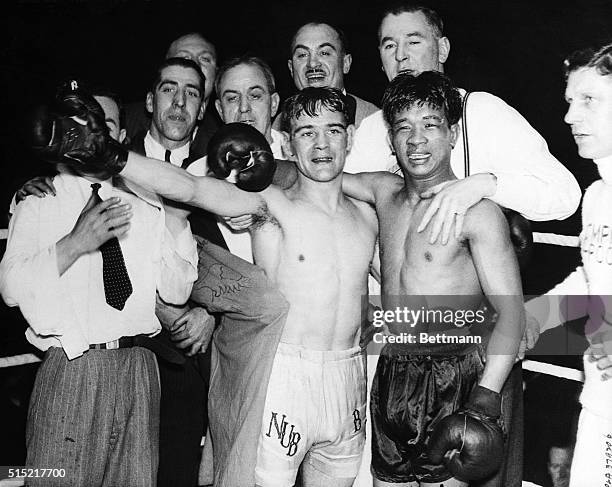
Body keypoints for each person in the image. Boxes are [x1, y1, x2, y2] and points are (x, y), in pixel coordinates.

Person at [47, 86, 378, 487]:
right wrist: (110, 154)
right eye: (307, 132)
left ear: (351, 136)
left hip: (349, 380)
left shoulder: (368, 215)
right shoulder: (269, 205)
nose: (321, 143)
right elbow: (191, 188)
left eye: (333, 130)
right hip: (286, 376)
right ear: (288, 142)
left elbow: (403, 282)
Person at [0, 84, 198, 486]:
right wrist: (74, 243)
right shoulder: (40, 199)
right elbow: (9, 289)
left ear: (120, 139)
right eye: (77, 129)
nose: (92, 139)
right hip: (71, 370)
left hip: (139, 370)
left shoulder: (146, 202)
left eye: (104, 126)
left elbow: (176, 294)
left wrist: (177, 221)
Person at [337, 71, 525, 487]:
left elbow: (512, 315)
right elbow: (320, 172)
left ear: (453, 133)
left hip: (454, 376)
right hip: (392, 370)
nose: (416, 139)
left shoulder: (477, 213)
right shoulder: (384, 192)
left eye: (430, 125)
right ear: (390, 139)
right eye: (403, 127)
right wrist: (253, 163)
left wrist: (484, 400)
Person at [345, 3, 580, 235]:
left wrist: (485, 185)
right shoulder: (374, 127)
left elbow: (564, 195)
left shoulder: (483, 111)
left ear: (443, 49)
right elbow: (338, 200)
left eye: (413, 42)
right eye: (389, 46)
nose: (400, 55)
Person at [524, 43, 612, 487]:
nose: (569, 117)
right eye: (569, 102)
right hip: (599, 400)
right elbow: (592, 278)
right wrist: (528, 320)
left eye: (589, 100)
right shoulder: (597, 197)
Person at [188, 55, 286, 262]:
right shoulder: (196, 174)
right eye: (232, 98)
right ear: (220, 109)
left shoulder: (300, 158)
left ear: (274, 103)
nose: (244, 107)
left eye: (255, 96)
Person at [124, 32, 221, 158]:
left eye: (205, 59)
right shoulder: (124, 121)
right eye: (184, 58)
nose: (195, 65)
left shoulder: (221, 144)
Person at [272, 21, 378, 130]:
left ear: (346, 63)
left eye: (324, 53)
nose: (312, 63)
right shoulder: (279, 126)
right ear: (291, 68)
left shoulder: (373, 120)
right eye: (302, 55)